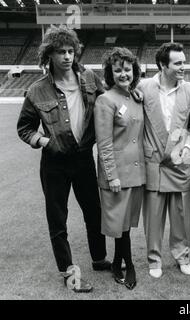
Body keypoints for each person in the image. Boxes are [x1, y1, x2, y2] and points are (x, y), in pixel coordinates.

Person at [16, 25, 111, 293]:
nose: (67, 57)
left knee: (94, 212)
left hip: (83, 158)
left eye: (71, 51)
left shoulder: (91, 79)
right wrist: (46, 141)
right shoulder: (37, 91)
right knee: (58, 218)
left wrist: (131, 96)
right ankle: (68, 271)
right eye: (61, 52)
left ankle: (99, 258)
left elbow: (108, 104)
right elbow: (24, 128)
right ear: (49, 55)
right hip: (54, 163)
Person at [138, 42, 190, 279]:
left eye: (183, 62)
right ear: (163, 65)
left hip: (179, 162)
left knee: (181, 215)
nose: (183, 67)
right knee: (153, 217)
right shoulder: (143, 87)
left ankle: (182, 256)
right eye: (178, 63)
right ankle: (154, 260)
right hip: (153, 161)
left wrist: (188, 145)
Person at [94, 47, 145, 290]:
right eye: (117, 70)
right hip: (116, 175)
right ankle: (129, 265)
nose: (123, 74)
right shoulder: (105, 100)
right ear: (110, 73)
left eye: (127, 69)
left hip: (135, 172)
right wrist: (111, 176)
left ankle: (116, 263)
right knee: (119, 225)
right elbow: (104, 143)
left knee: (125, 224)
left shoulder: (134, 97)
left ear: (134, 71)